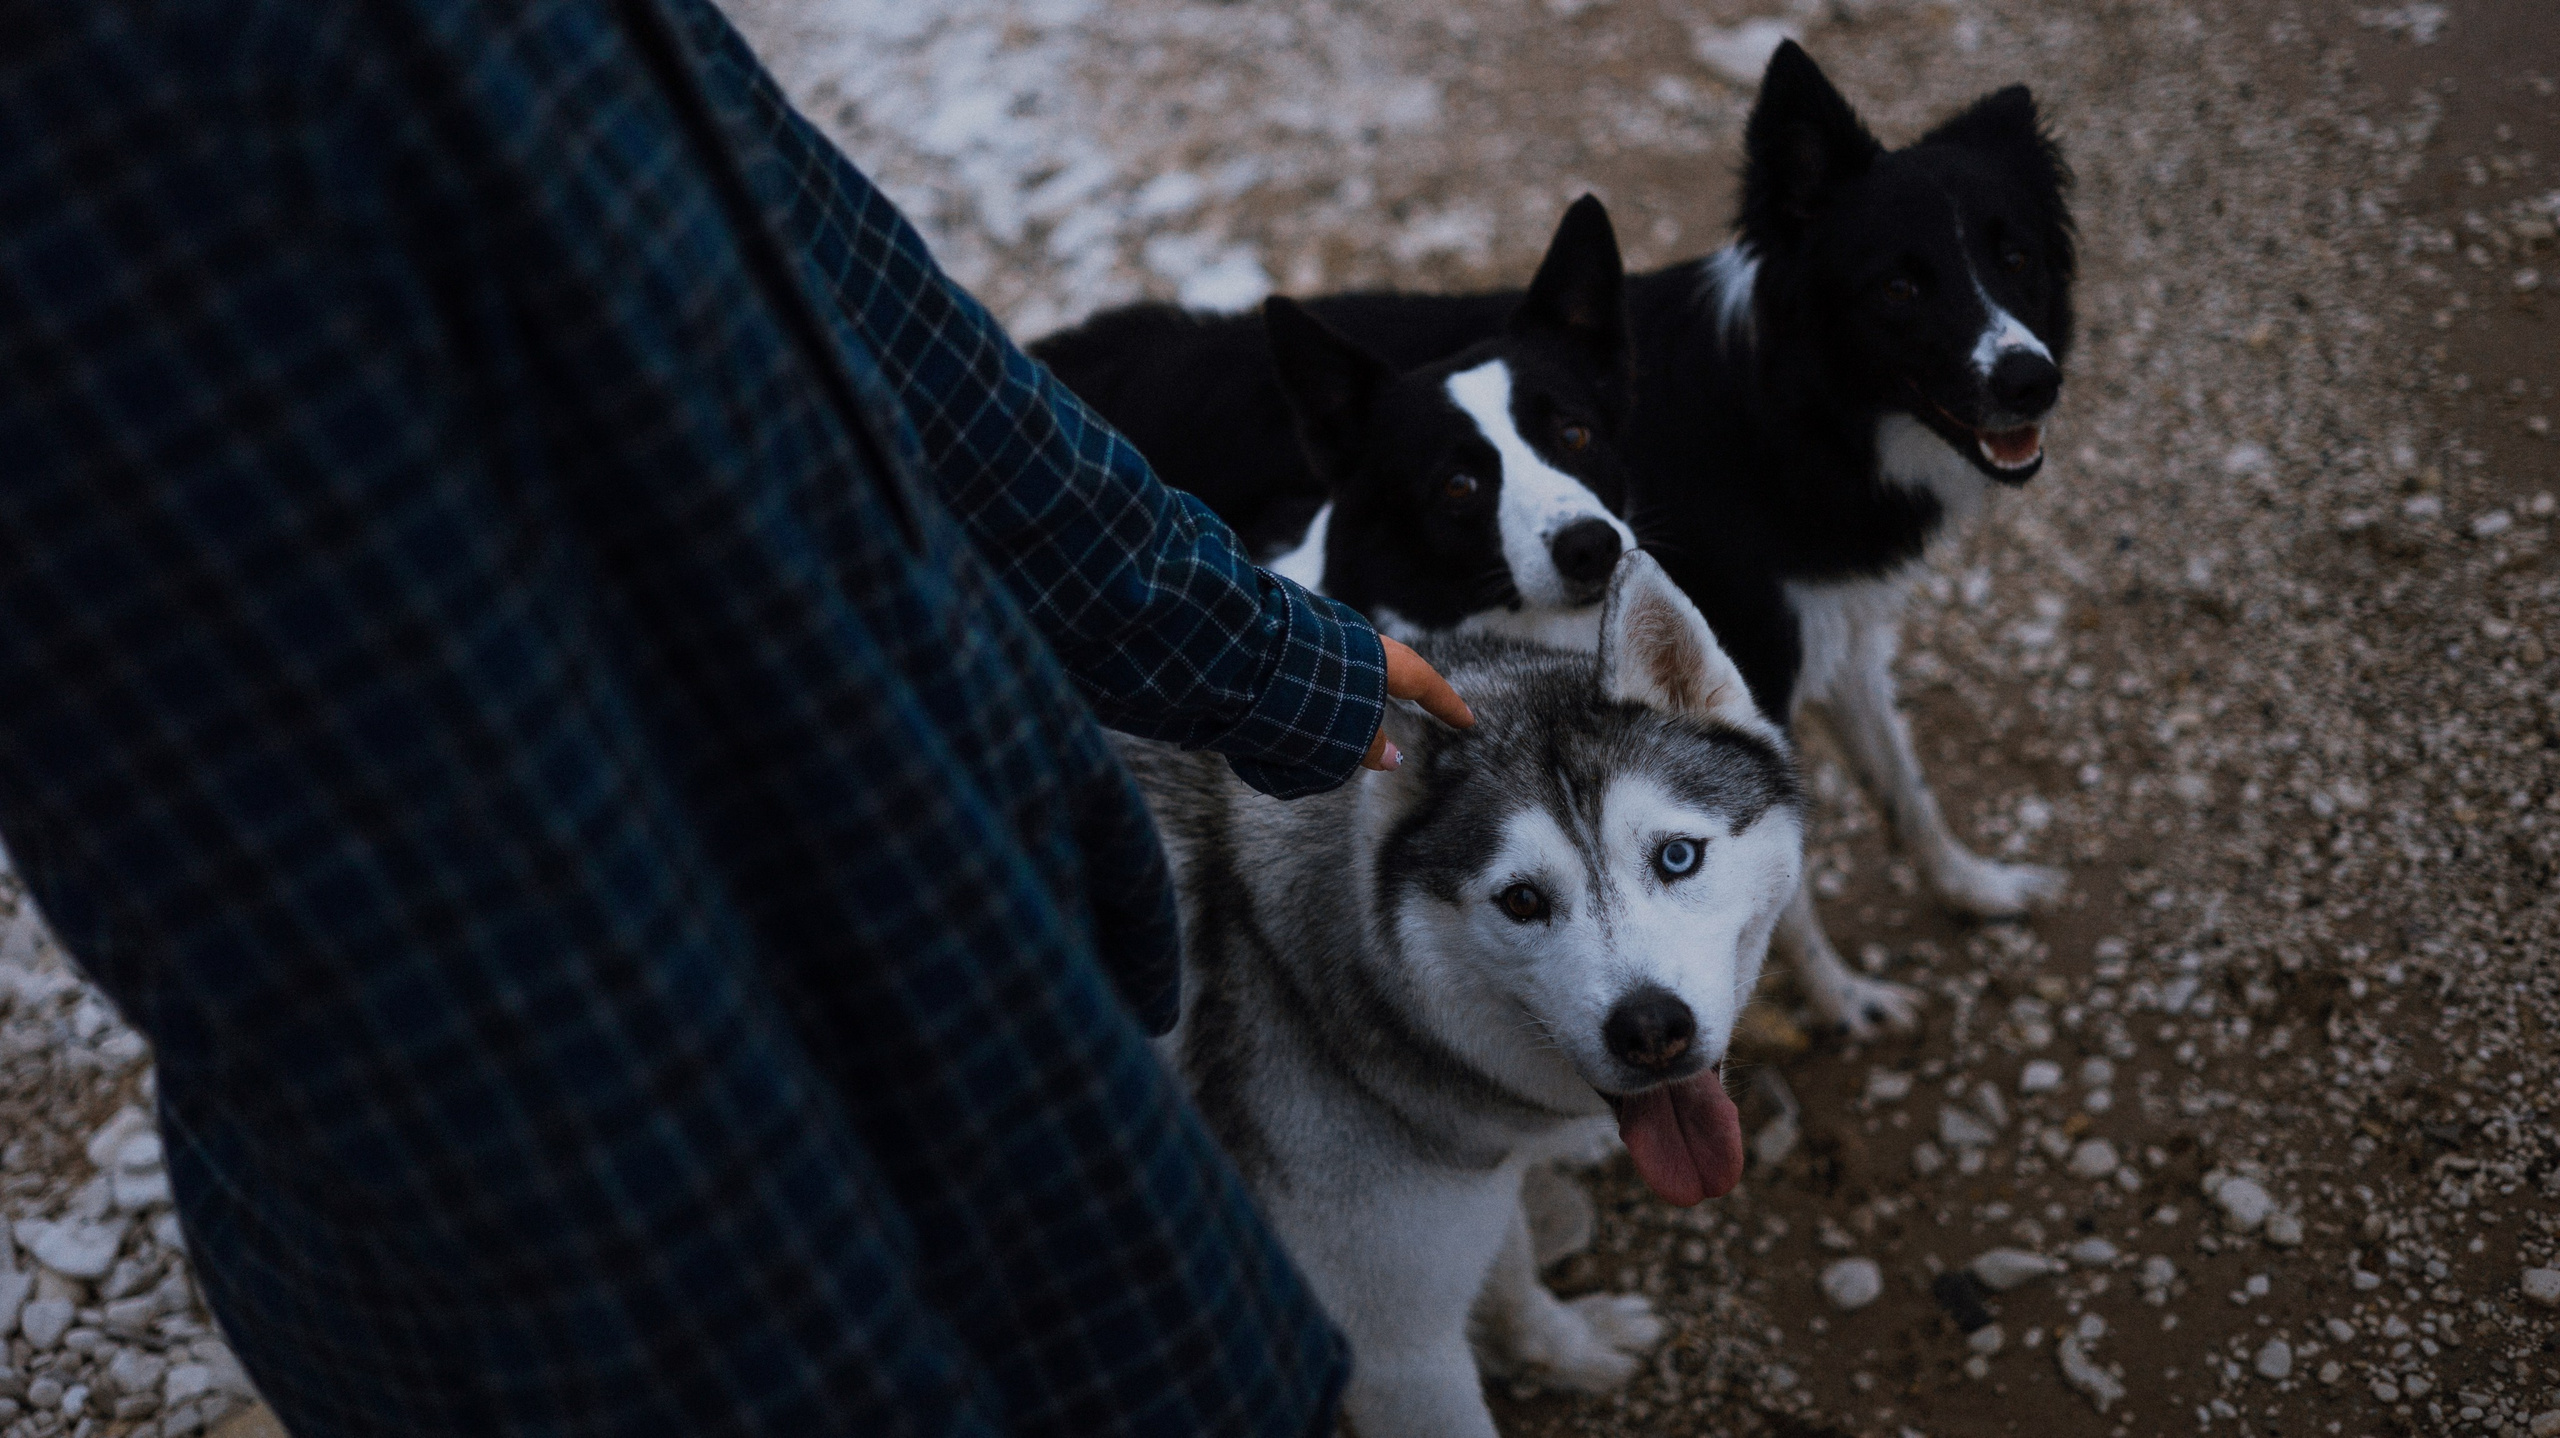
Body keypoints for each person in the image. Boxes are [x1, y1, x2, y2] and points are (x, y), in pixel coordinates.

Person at [0, 0, 1473, 1433]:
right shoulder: (107, 114)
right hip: (667, 1234)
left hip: (961, 979)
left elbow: (819, 266)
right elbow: (432, 965)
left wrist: (1239, 640)